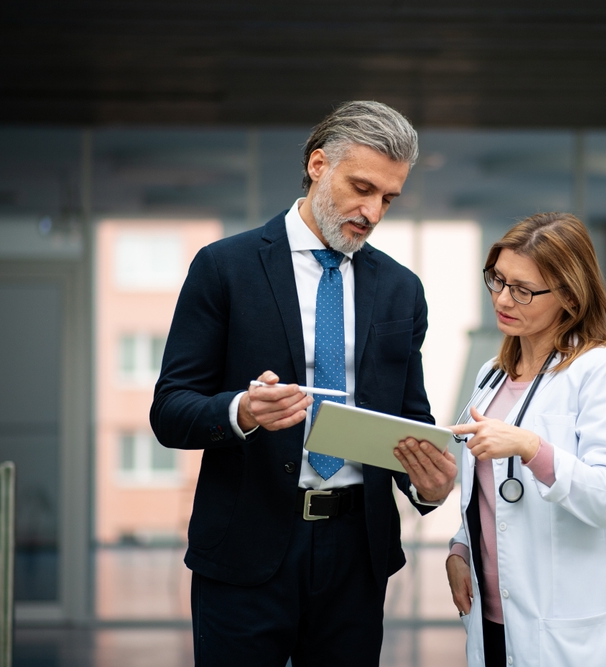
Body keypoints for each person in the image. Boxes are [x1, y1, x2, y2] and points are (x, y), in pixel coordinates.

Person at [150, 100, 458, 667]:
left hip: (356, 555)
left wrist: (428, 485)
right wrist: (242, 410)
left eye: (388, 198)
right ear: (319, 165)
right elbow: (170, 410)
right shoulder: (225, 267)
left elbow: (410, 418)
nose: (372, 211)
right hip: (246, 547)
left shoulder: (401, 290)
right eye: (361, 187)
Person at [444, 212, 606, 667]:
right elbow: (489, 495)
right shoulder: (491, 377)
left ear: (570, 297)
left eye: (523, 289)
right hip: (492, 620)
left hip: (568, 633)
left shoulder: (601, 374)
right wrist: (460, 548)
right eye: (497, 280)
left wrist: (531, 448)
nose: (502, 298)